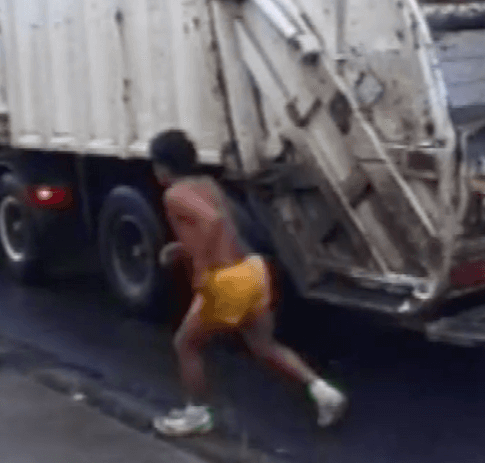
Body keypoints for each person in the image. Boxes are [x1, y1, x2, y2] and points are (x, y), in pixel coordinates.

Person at [148, 129, 348, 437]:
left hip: (225, 280)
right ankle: (323, 392)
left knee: (186, 344)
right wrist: (180, 248)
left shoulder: (174, 194)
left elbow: (211, 221)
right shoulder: (208, 184)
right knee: (264, 345)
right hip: (251, 270)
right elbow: (222, 225)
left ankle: (197, 414)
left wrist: (201, 267)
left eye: (155, 164)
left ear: (164, 165)